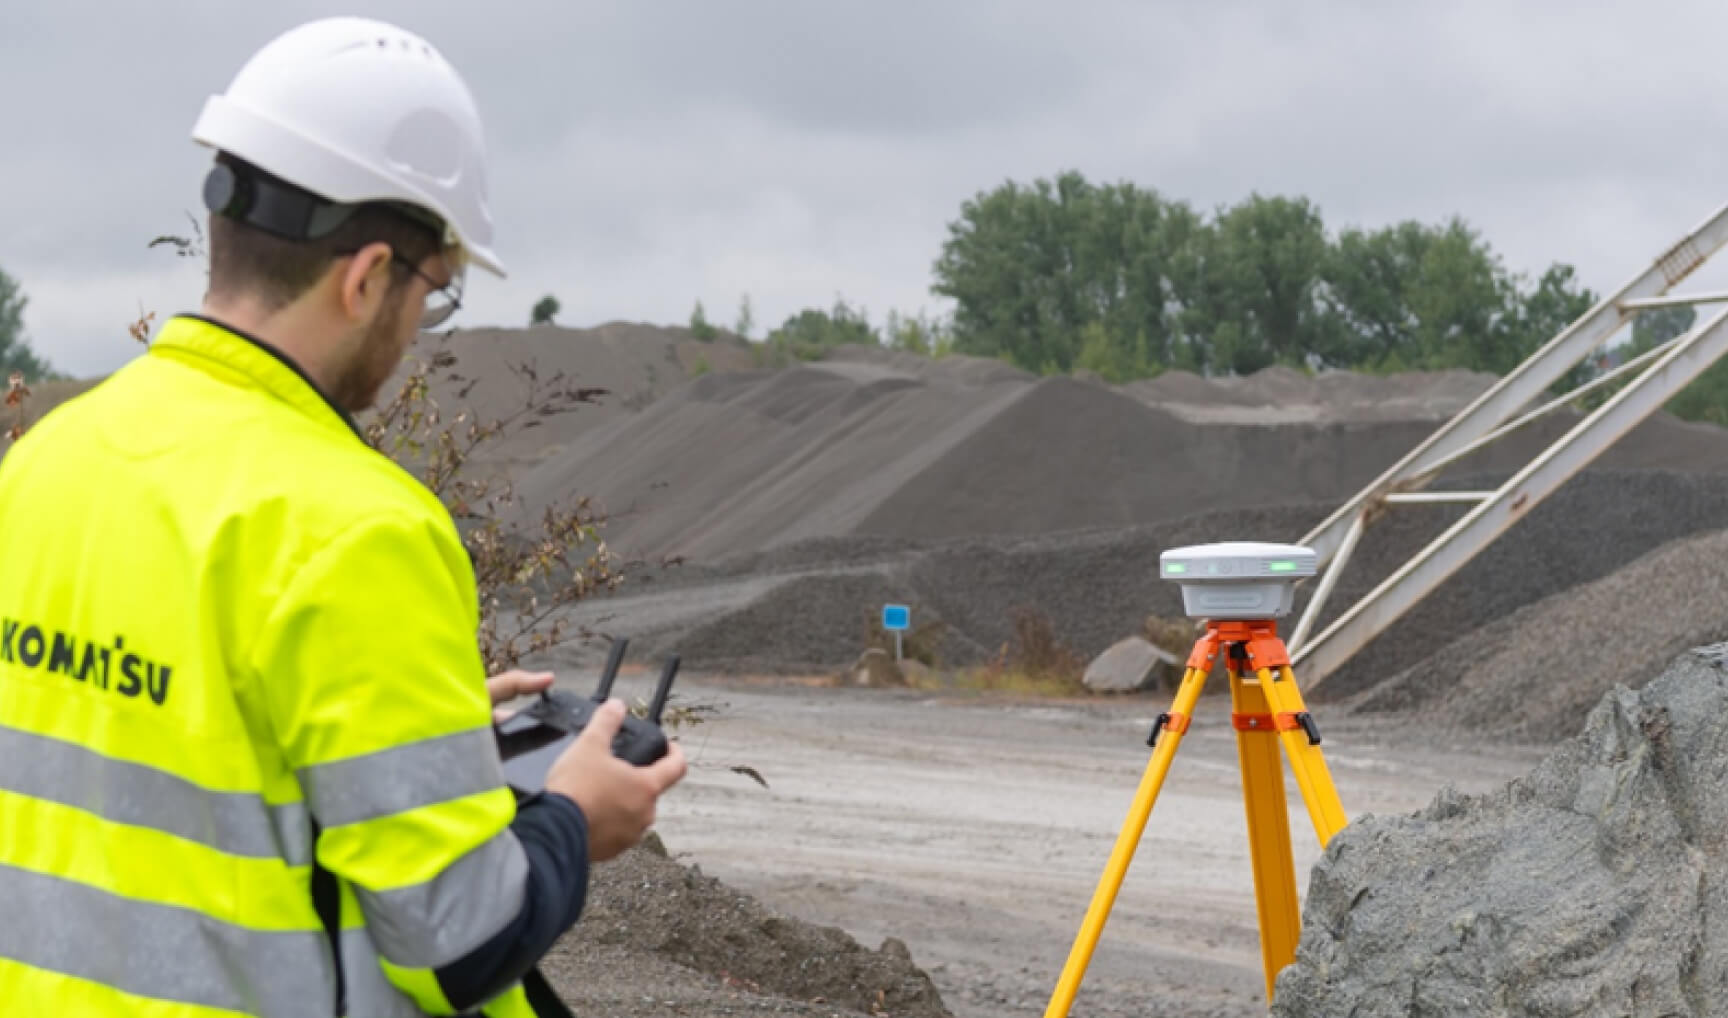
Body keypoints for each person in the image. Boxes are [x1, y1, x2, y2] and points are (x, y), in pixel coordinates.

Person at [0, 16, 685, 1018]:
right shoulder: (360, 532)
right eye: (433, 295)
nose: (420, 329)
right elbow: (457, 937)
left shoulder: (47, 461)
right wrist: (578, 819)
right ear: (367, 279)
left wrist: (415, 735)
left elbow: (161, 749)